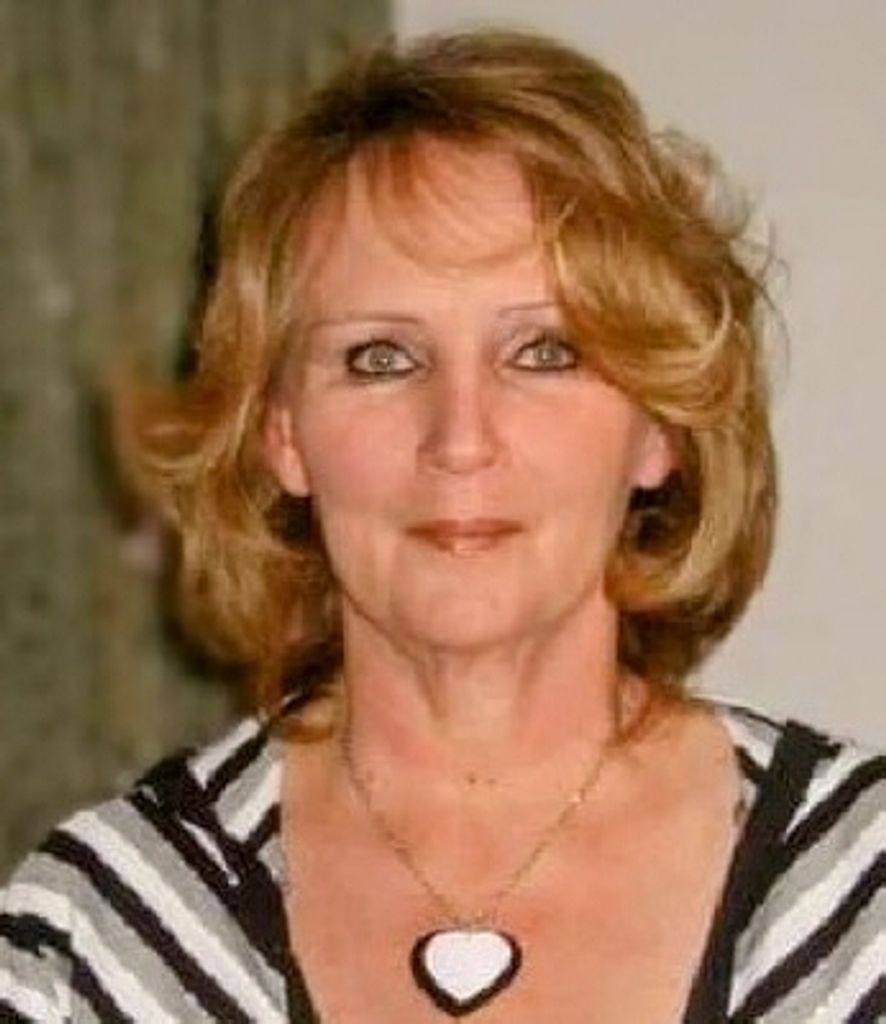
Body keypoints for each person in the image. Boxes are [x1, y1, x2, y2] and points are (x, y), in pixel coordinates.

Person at [1, 28, 883, 1024]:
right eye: (381, 358)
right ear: (281, 432)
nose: (460, 439)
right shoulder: (90, 937)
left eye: (544, 352)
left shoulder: (861, 897)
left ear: (659, 426)